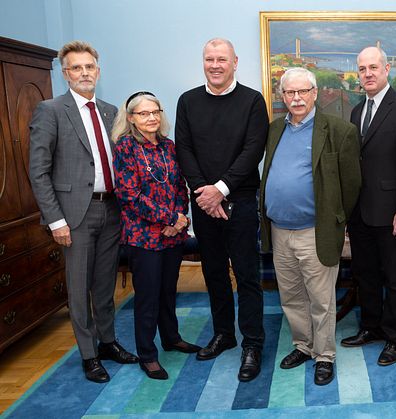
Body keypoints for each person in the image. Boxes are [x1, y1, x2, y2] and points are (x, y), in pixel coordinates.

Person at [28, 40, 138, 383]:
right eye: (77, 68)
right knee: (78, 288)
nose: (84, 73)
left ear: (98, 71)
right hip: (74, 215)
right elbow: (38, 170)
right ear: (66, 74)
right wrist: (55, 220)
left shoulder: (109, 111)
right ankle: (89, 354)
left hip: (111, 211)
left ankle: (108, 342)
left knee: (105, 285)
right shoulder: (51, 110)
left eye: (89, 67)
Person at [259, 67, 361, 385]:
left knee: (321, 299)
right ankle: (303, 346)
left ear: (315, 93)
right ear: (283, 96)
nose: (297, 97)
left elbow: (352, 183)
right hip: (279, 230)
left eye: (303, 91)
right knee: (291, 296)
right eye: (290, 92)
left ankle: (324, 355)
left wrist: (337, 220)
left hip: (315, 231)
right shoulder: (275, 129)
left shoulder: (337, 130)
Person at [175, 38, 269, 382]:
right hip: (202, 201)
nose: (215, 65)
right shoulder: (187, 101)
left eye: (222, 59)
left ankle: (253, 343)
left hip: (240, 200)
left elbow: (253, 149)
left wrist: (221, 189)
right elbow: (183, 148)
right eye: (209, 59)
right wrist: (204, 192)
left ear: (235, 62)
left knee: (246, 275)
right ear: (203, 62)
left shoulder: (252, 101)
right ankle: (224, 334)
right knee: (213, 272)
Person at [341, 46, 396, 366]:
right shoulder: (356, 110)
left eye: (373, 67)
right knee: (365, 275)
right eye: (362, 69)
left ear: (387, 69)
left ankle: (394, 336)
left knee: (395, 278)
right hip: (361, 212)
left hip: (393, 213)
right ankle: (371, 327)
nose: (368, 74)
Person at [111, 91, 201, 380]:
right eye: (143, 113)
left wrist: (179, 219)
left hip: (172, 235)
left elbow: (179, 187)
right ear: (131, 118)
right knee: (148, 296)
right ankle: (147, 355)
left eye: (155, 112)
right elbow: (129, 195)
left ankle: (171, 338)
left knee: (167, 291)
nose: (151, 118)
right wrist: (169, 217)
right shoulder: (125, 147)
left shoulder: (168, 146)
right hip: (144, 237)